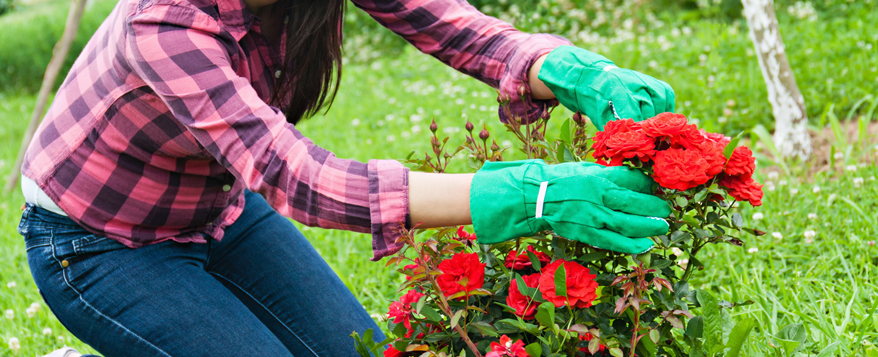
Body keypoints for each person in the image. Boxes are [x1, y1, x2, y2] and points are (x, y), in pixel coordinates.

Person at [17, 0, 675, 354]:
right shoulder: (165, 21)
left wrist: (566, 65)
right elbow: (293, 175)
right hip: (97, 241)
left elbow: (446, 21)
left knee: (360, 352)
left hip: (219, 208)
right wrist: (528, 195)